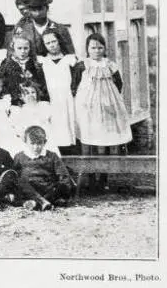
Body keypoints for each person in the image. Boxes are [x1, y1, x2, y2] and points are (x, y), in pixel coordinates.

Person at [71, 33, 132, 190]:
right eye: (93, 47)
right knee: (89, 141)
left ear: (104, 49)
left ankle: (103, 178)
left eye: (100, 47)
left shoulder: (110, 65)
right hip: (87, 109)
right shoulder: (82, 65)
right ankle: (91, 179)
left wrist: (109, 100)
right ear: (87, 49)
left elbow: (119, 84)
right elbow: (75, 85)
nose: (97, 51)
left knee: (104, 142)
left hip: (107, 109)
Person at [14, 126, 73, 210]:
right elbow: (15, 175)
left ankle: (37, 202)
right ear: (26, 142)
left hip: (47, 189)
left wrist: (64, 192)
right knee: (20, 182)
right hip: (29, 189)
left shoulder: (52, 156)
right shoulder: (19, 157)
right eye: (32, 143)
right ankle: (42, 202)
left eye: (39, 143)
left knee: (59, 187)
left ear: (44, 142)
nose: (36, 147)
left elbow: (63, 175)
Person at [38, 30, 78, 152]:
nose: (52, 45)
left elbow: (77, 80)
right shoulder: (42, 61)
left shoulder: (70, 59)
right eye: (48, 43)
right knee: (54, 126)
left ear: (59, 41)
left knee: (70, 124)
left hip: (68, 98)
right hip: (51, 98)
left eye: (54, 41)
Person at [11, 0, 75, 56]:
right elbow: (12, 54)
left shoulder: (60, 29)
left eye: (40, 9)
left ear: (47, 8)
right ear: (29, 11)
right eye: (34, 10)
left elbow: (72, 56)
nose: (38, 13)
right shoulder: (21, 30)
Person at [9, 80, 59, 155]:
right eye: (27, 93)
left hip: (44, 137)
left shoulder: (43, 106)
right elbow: (16, 128)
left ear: (37, 93)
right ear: (21, 96)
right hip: (27, 139)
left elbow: (48, 122)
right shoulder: (19, 110)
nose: (30, 95)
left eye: (33, 92)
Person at [0, 35, 49, 106]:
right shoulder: (6, 66)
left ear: (30, 48)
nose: (23, 51)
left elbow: (43, 87)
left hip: (33, 103)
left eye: (26, 48)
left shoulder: (35, 66)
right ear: (13, 48)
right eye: (19, 48)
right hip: (14, 105)